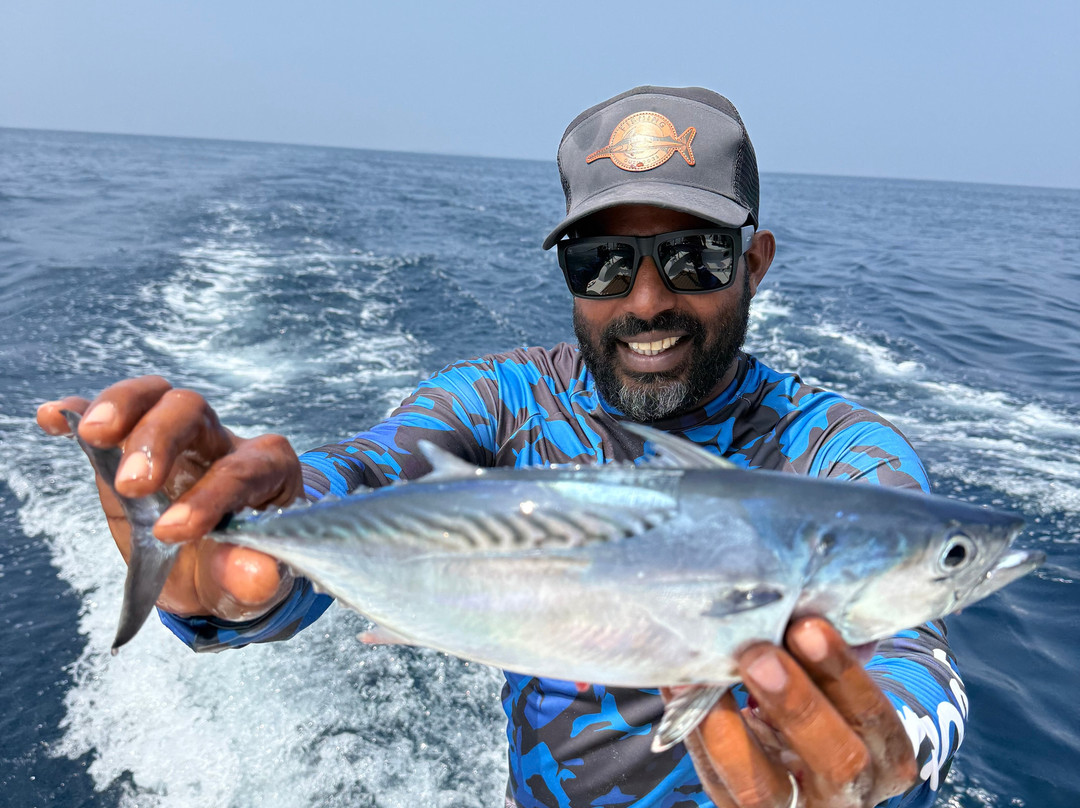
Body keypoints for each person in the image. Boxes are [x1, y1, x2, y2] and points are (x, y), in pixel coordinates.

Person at [38, 86, 966, 808]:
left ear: (755, 262)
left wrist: (883, 756)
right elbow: (358, 475)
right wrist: (234, 561)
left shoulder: (838, 455)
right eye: (600, 263)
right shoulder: (501, 405)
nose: (645, 302)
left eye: (694, 257)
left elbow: (914, 653)